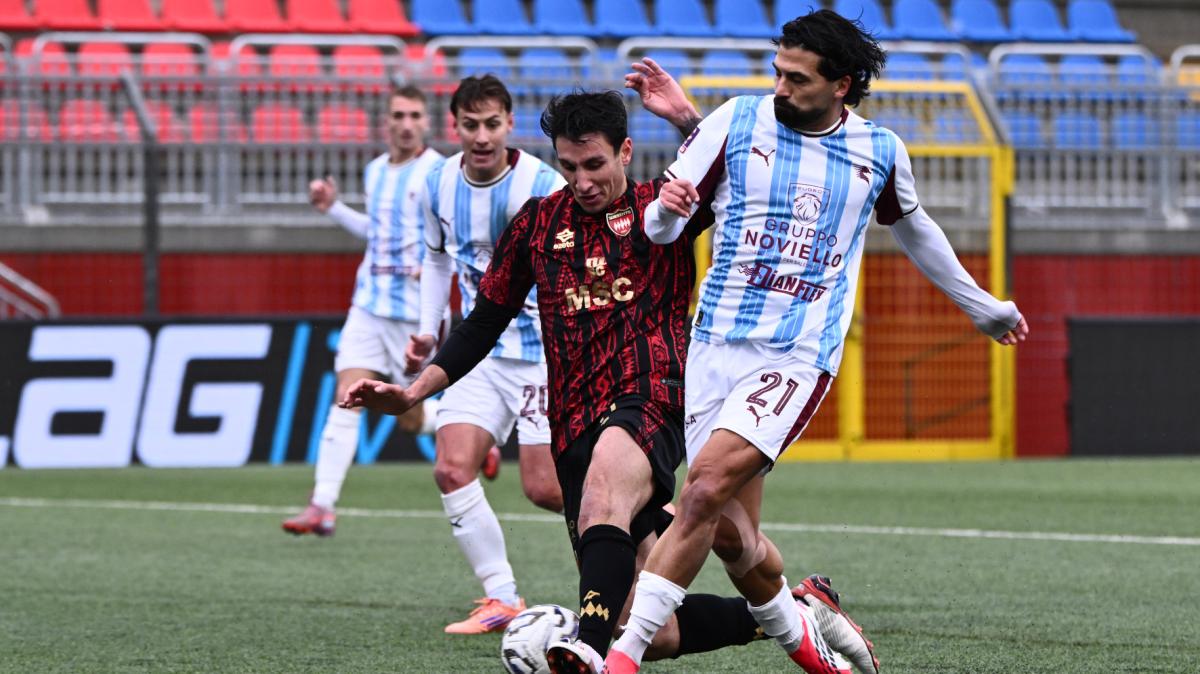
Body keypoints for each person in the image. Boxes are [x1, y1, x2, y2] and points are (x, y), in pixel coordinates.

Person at [342, 90, 871, 674]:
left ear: (625, 151)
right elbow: (484, 321)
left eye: (594, 164)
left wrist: (688, 120)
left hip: (653, 395)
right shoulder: (538, 224)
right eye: (569, 166)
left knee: (603, 496)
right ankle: (797, 611)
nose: (583, 180)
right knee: (654, 628)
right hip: (573, 418)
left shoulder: (663, 206)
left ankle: (590, 651)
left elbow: (745, 166)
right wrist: (415, 391)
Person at [606, 10, 1029, 674]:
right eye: (777, 71)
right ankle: (814, 624)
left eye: (797, 78)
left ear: (842, 85)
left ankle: (621, 658)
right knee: (733, 538)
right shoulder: (735, 120)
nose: (780, 86)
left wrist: (983, 308)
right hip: (714, 343)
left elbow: (916, 229)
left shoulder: (879, 151)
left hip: (798, 354)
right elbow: (660, 230)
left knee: (702, 490)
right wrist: (665, 208)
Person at [403, 74, 565, 635]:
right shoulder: (435, 184)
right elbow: (437, 259)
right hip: (480, 353)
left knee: (546, 489)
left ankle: (651, 523)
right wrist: (428, 332)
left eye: (492, 124)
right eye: (470, 125)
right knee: (451, 469)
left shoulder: (540, 186)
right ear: (454, 127)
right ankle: (502, 598)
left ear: (509, 125)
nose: (481, 136)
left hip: (544, 354)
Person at [282, 85, 445, 538]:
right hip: (369, 304)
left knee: (410, 417)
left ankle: (470, 430)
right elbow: (377, 231)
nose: (407, 124)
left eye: (415, 115)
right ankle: (322, 505)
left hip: (414, 315)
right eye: (399, 115)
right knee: (347, 394)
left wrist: (433, 264)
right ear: (386, 122)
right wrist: (334, 208)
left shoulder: (438, 171)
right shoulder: (375, 171)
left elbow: (455, 232)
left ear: (427, 122)